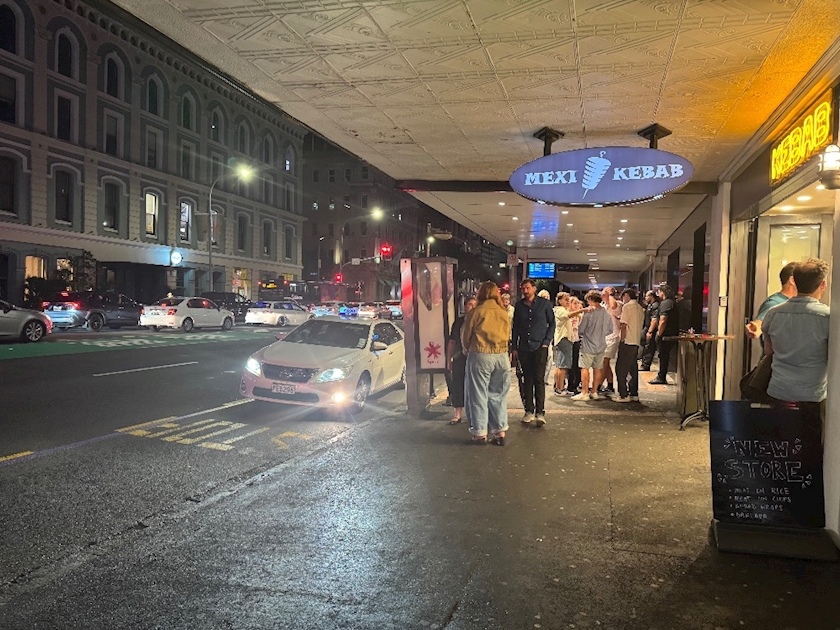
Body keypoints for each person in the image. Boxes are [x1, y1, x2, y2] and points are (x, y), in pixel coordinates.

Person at [762, 258, 830, 422]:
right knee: (811, 437)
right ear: (823, 284)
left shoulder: (773, 313)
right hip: (813, 395)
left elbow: (768, 350)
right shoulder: (828, 317)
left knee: (780, 435)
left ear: (794, 281)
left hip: (779, 391)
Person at [461, 282, 511, 446]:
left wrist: (466, 348)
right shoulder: (503, 312)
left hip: (481, 354)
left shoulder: (476, 312)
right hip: (501, 355)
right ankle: (500, 432)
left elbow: (466, 335)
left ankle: (480, 433)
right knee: (498, 394)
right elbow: (508, 334)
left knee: (478, 394)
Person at [511, 279, 555, 426]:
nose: (525, 291)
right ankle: (529, 410)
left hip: (540, 346)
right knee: (526, 380)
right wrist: (514, 347)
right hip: (524, 347)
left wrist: (546, 341)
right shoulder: (519, 306)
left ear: (534, 289)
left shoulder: (545, 304)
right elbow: (515, 327)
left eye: (528, 288)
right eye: (523, 288)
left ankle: (540, 412)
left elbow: (552, 323)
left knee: (539, 379)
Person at [571, 290, 613, 401]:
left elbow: (581, 329)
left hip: (588, 345)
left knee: (584, 368)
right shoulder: (606, 313)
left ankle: (584, 392)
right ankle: (594, 392)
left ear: (590, 299)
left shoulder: (588, 313)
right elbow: (610, 330)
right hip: (601, 345)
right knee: (597, 368)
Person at [746, 261, 799, 348]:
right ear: (792, 280)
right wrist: (756, 328)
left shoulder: (797, 302)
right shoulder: (774, 303)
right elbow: (760, 322)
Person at [446, 296, 477, 425]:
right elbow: (452, 341)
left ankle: (475, 415)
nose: (473, 307)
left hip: (475, 357)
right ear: (465, 306)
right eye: (470, 304)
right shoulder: (458, 322)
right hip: (460, 357)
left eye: (475, 304)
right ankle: (457, 414)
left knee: (475, 386)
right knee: (458, 384)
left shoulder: (480, 321)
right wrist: (449, 359)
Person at [614, 288, 645, 403]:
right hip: (636, 340)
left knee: (620, 369)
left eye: (623, 297)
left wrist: (622, 339)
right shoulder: (640, 308)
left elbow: (624, 325)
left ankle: (623, 394)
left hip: (627, 341)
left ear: (626, 295)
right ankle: (634, 393)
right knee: (633, 368)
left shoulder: (627, 307)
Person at [649, 283, 679, 385]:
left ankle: (661, 377)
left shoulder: (665, 304)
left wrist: (659, 333)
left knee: (663, 355)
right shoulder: (672, 302)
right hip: (671, 333)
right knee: (664, 355)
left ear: (663, 292)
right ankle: (661, 376)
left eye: (659, 292)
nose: (658, 294)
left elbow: (663, 320)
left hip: (666, 335)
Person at [597, 286, 622, 394]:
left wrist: (610, 295)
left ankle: (597, 386)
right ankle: (610, 385)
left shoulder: (618, 304)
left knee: (603, 362)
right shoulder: (603, 305)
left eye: (604, 294)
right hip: (604, 337)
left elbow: (613, 306)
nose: (602, 296)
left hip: (613, 337)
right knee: (605, 363)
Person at [566, 295, 584, 395]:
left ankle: (575, 384)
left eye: (578, 303)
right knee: (570, 365)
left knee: (576, 364)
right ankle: (570, 385)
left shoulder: (579, 316)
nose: (577, 305)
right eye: (575, 303)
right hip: (569, 341)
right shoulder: (567, 315)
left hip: (576, 341)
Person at [639, 290, 660, 371]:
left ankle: (645, 365)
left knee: (649, 346)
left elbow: (654, 320)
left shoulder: (655, 305)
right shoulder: (650, 305)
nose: (645, 298)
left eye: (647, 296)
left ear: (651, 296)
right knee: (643, 344)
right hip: (646, 327)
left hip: (651, 329)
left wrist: (650, 331)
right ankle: (642, 360)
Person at [538, 288, 554, 385]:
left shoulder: (550, 309)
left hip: (548, 338)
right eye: (544, 297)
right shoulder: (538, 309)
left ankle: (545, 379)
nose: (546, 299)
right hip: (539, 339)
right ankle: (540, 379)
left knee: (549, 358)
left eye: (547, 297)